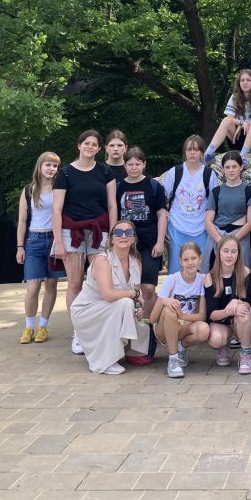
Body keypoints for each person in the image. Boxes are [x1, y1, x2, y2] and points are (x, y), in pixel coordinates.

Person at [52, 130, 118, 356]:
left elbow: (112, 204)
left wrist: (114, 233)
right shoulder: (65, 173)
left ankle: (98, 327)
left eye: (94, 144)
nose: (90, 147)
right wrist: (58, 241)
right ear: (79, 145)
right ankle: (78, 332)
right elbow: (57, 209)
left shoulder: (105, 171)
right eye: (86, 143)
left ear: (99, 149)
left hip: (99, 230)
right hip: (72, 231)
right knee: (75, 282)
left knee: (101, 281)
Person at [69, 220, 151, 375]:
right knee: (125, 303)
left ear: (134, 238)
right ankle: (105, 362)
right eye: (118, 233)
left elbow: (136, 295)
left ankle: (123, 350)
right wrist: (134, 295)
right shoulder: (103, 260)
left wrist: (139, 307)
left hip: (111, 308)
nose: (123, 236)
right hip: (87, 311)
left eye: (128, 233)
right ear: (112, 239)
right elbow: (108, 294)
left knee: (131, 308)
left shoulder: (136, 262)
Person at [15, 151, 64, 344]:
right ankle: (29, 327)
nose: (51, 169)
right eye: (48, 165)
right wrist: (20, 246)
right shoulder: (29, 190)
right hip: (34, 239)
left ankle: (43, 326)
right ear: (40, 166)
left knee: (51, 285)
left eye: (55, 166)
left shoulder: (60, 188)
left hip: (54, 239)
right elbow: (22, 220)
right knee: (33, 286)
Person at [116, 146, 168, 324]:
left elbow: (161, 214)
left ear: (144, 164)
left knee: (148, 287)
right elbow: (114, 215)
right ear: (124, 165)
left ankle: (147, 324)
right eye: (130, 164)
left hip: (150, 241)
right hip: (125, 242)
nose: (134, 168)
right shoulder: (118, 187)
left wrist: (160, 241)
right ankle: (129, 324)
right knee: (127, 287)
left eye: (137, 164)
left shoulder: (154, 186)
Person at [151, 241, 209, 379]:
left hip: (184, 326)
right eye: (186, 259)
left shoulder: (203, 279)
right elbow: (153, 318)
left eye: (193, 258)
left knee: (204, 330)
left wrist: (182, 315)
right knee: (170, 310)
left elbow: (202, 316)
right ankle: (173, 359)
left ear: (200, 259)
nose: (190, 263)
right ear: (180, 261)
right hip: (164, 329)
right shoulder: (172, 279)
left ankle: (181, 347)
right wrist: (165, 301)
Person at [163, 136, 218, 274]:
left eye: (196, 149)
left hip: (202, 228)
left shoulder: (209, 174)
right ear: (184, 152)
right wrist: (163, 229)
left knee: (202, 271)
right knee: (176, 271)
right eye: (189, 149)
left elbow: (214, 203)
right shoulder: (174, 173)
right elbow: (162, 201)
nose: (192, 153)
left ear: (202, 152)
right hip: (177, 227)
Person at [204, 235, 251, 374]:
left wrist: (237, 302)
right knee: (216, 339)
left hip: (239, 322)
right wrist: (229, 310)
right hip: (220, 322)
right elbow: (211, 314)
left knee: (243, 312)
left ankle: (245, 355)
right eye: (225, 251)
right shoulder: (210, 278)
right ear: (218, 252)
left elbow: (249, 303)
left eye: (233, 251)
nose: (229, 255)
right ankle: (224, 345)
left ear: (238, 254)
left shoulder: (244, 272)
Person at [204, 151, 251, 277]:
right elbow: (208, 221)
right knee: (213, 274)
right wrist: (220, 241)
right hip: (217, 235)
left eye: (234, 166)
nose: (231, 170)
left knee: (240, 275)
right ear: (223, 169)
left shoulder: (249, 191)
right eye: (227, 167)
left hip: (240, 236)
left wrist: (233, 240)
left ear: (241, 167)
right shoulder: (216, 191)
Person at [204, 69, 251, 166]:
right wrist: (241, 124)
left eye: (248, 80)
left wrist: (247, 124)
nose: (245, 82)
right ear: (239, 83)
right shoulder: (234, 97)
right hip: (238, 137)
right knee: (226, 120)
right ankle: (208, 154)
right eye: (242, 80)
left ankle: (242, 157)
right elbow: (230, 118)